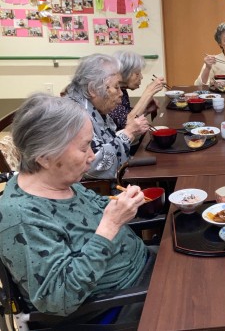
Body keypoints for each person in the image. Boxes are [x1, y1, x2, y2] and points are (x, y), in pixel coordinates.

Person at [0, 93, 154, 324]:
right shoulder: (21, 217)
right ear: (45, 157)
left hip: (143, 266)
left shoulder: (59, 180)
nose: (92, 156)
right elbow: (58, 298)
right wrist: (110, 225)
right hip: (118, 303)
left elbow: (91, 211)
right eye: (84, 148)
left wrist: (124, 204)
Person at [64, 53, 149, 179]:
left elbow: (110, 140)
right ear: (93, 89)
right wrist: (128, 133)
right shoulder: (76, 116)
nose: (121, 93)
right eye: (116, 87)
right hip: (98, 187)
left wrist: (132, 133)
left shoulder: (94, 107)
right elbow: (94, 164)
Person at [109, 51, 165, 131]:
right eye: (137, 73)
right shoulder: (110, 93)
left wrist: (146, 110)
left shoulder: (122, 89)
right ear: (124, 73)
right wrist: (148, 92)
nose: (141, 77)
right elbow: (127, 123)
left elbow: (126, 116)